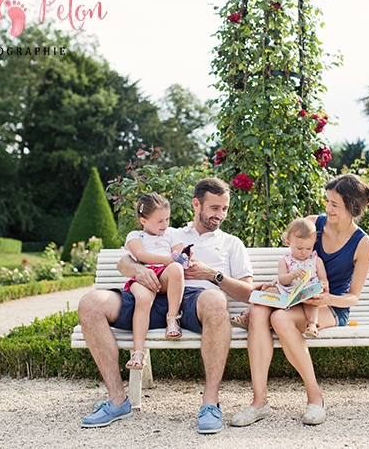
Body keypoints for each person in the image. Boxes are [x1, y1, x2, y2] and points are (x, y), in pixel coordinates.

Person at [77, 177, 253, 433]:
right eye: (215, 208)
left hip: (196, 302)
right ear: (196, 204)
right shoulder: (170, 232)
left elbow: (249, 293)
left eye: (225, 208)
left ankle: (210, 403)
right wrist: (138, 270)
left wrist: (212, 275)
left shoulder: (231, 243)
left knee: (216, 299)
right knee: (90, 303)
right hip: (151, 295)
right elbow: (123, 262)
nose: (220, 215)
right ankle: (117, 399)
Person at [231, 173, 369, 428]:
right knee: (259, 310)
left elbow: (353, 297)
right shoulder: (312, 224)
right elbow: (293, 260)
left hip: (329, 307)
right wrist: (277, 284)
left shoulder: (363, 244)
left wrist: (326, 298)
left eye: (334, 204)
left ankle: (315, 397)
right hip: (294, 298)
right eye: (328, 201)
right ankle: (259, 402)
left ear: (352, 207)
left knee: (279, 318)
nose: (327, 208)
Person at [231, 217, 328, 338]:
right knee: (264, 292)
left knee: (312, 304)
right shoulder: (285, 260)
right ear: (288, 243)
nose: (304, 252)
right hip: (286, 291)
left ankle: (312, 325)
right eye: (299, 248)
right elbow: (282, 280)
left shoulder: (316, 260)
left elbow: (323, 278)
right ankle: (246, 315)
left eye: (309, 248)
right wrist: (292, 275)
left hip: (306, 293)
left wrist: (323, 285)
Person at [123, 192, 186, 370]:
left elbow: (177, 254)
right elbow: (140, 255)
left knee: (176, 268)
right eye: (160, 221)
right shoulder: (135, 236)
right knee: (142, 300)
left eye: (167, 219)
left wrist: (181, 258)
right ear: (143, 221)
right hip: (143, 274)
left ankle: (172, 319)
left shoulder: (171, 234)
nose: (165, 224)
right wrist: (164, 259)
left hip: (164, 274)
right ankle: (138, 352)